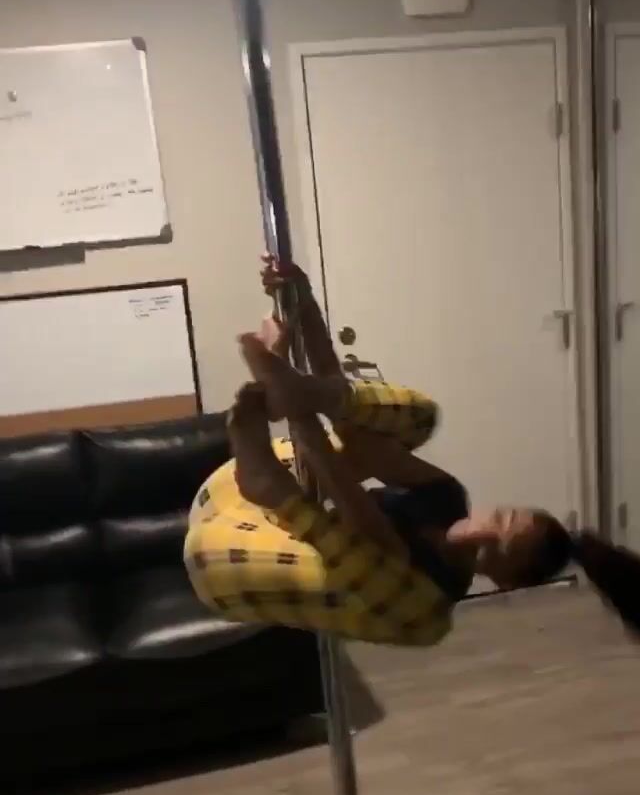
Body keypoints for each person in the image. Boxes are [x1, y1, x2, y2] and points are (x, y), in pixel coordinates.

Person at [184, 259, 640, 646]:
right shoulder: (447, 496)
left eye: (492, 550)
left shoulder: (434, 585)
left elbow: (351, 500)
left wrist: (297, 412)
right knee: (420, 416)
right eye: (498, 520)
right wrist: (306, 308)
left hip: (259, 536)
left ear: (502, 581)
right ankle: (298, 412)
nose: (478, 534)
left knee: (393, 573)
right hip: (253, 489)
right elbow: (356, 437)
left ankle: (277, 475)